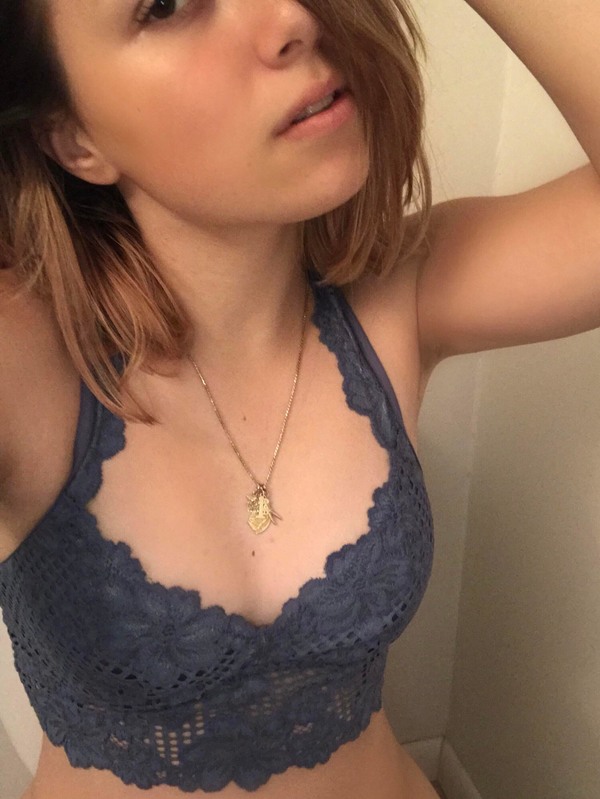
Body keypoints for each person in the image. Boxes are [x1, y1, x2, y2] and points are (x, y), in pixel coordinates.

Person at [1, 1, 599, 798]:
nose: (291, 15)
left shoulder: (397, 299)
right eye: (167, 4)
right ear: (73, 137)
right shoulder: (26, 359)